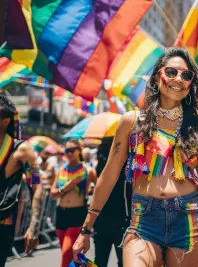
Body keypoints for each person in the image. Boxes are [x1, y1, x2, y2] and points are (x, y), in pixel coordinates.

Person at [72, 47, 198, 267]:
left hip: (188, 218)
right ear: (158, 76)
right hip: (144, 219)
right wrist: (86, 228)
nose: (178, 79)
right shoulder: (132, 122)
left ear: (190, 85)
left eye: (186, 75)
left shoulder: (197, 129)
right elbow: (108, 175)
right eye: (171, 72)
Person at [0, 93, 43, 266]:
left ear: (5, 121)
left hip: (2, 223)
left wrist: (33, 226)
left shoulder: (22, 150)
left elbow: (37, 186)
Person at [51, 139, 97, 267]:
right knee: (69, 256)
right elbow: (53, 193)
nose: (69, 153)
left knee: (67, 253)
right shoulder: (61, 170)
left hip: (77, 214)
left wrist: (91, 191)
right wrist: (66, 187)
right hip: (61, 214)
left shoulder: (88, 170)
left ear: (79, 150)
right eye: (67, 151)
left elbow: (100, 190)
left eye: (72, 150)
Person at [93, 137, 132, 267]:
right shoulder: (127, 165)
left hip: (113, 219)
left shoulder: (125, 167)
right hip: (117, 219)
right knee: (111, 261)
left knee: (102, 260)